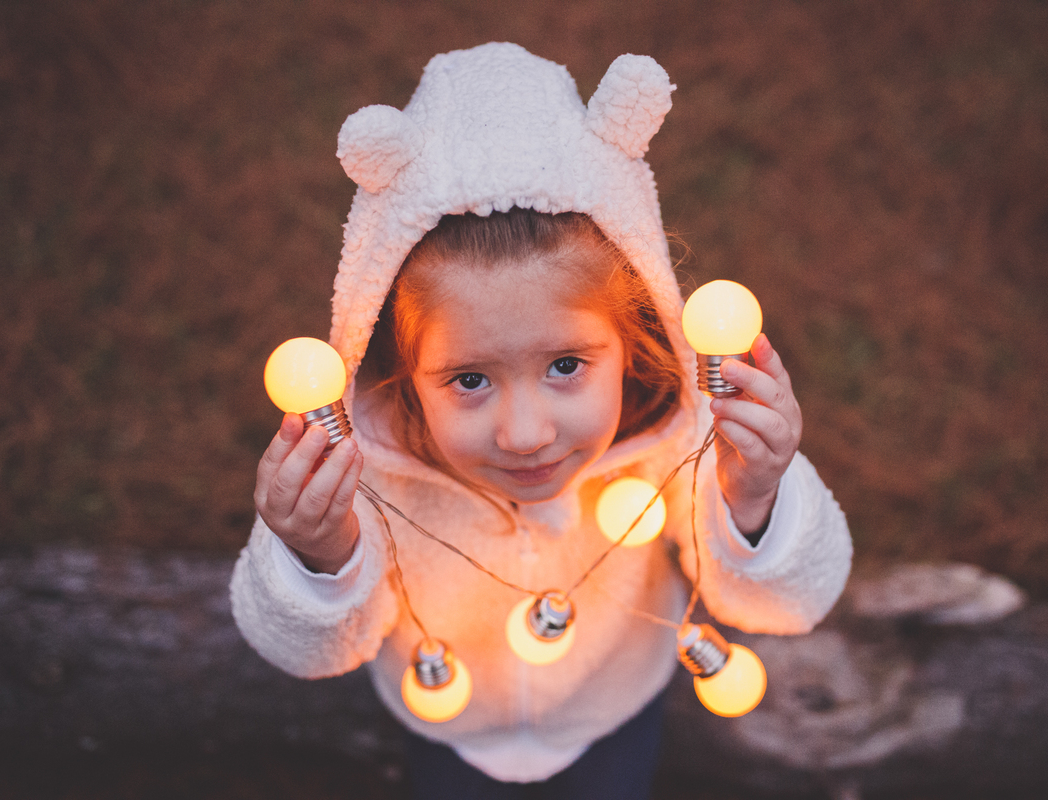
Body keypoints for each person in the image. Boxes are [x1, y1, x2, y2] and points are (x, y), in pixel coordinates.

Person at [231, 42, 851, 799]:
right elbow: (311, 652)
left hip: (610, 710)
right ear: (398, 364)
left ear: (632, 340)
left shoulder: (678, 446)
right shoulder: (364, 478)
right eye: (468, 379)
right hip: (447, 727)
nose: (525, 434)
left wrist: (754, 496)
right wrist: (320, 555)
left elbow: (788, 605)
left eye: (565, 366)